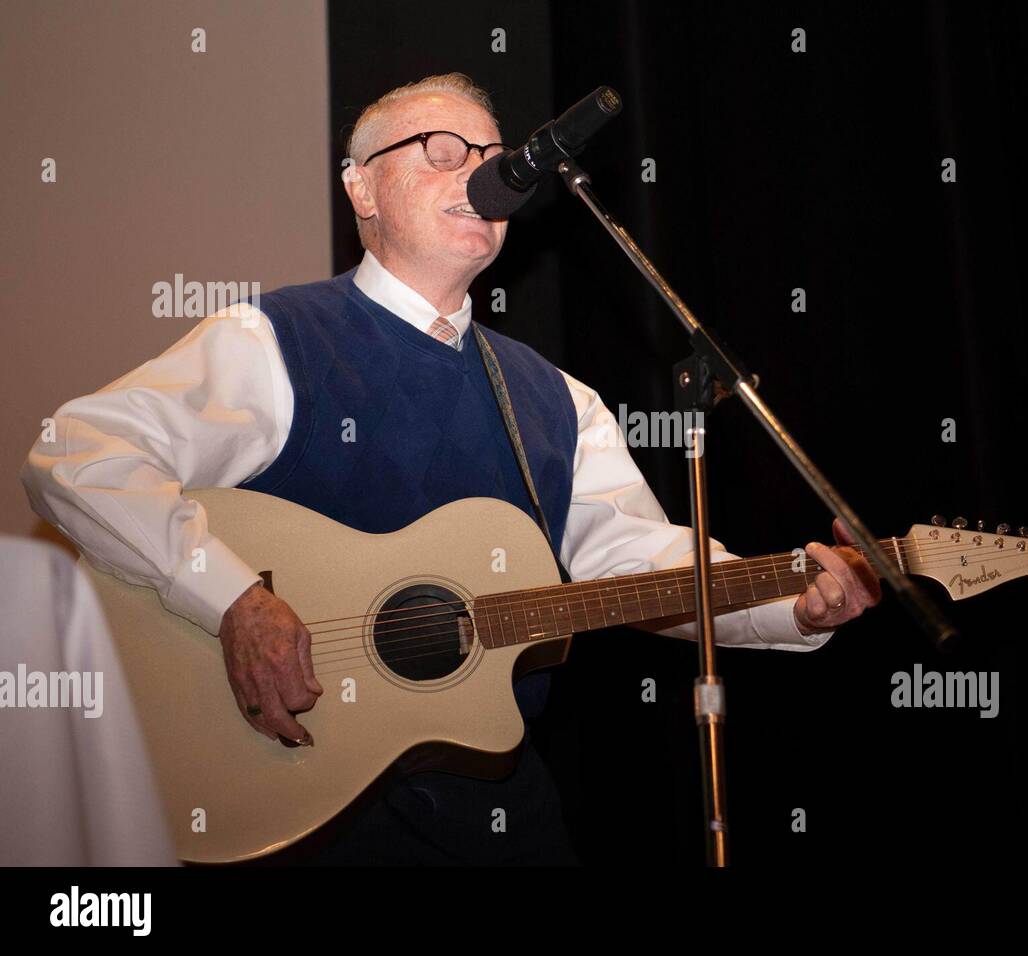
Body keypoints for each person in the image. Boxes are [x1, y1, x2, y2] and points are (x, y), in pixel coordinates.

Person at [20, 72, 880, 865]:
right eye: (441, 151)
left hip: (496, 810)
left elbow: (640, 566)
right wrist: (233, 599)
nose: (479, 174)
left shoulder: (558, 400)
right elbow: (78, 452)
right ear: (360, 187)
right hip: (304, 798)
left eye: (494, 160)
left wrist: (791, 604)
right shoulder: (275, 341)